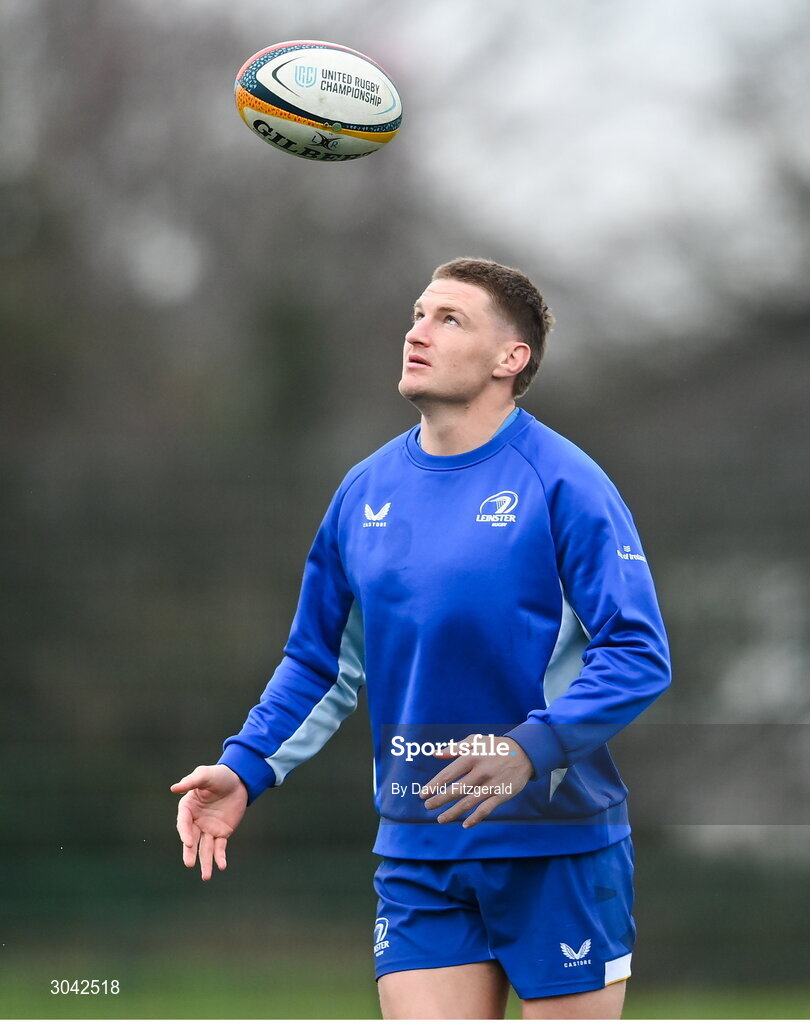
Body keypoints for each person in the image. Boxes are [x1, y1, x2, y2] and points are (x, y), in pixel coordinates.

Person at [172, 258, 671, 1020]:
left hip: (557, 847)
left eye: (450, 319)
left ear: (513, 359)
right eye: (417, 315)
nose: (417, 333)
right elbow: (319, 663)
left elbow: (637, 653)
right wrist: (246, 767)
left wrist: (527, 750)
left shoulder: (565, 483)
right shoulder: (364, 492)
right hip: (419, 849)